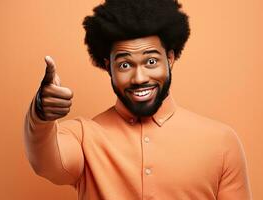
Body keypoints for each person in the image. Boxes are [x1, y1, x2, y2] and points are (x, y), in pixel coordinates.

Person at [23, 0, 252, 199]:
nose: (139, 77)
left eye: (151, 62)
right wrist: (40, 114)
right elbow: (47, 163)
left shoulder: (222, 142)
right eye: (124, 65)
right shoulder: (83, 137)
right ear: (107, 67)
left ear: (170, 58)